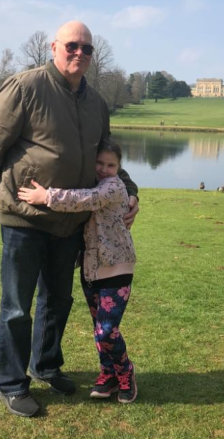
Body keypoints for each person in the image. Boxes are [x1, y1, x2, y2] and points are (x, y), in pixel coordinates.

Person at [0, 20, 139, 417]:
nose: (79, 53)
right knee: (16, 307)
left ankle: (46, 366)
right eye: (72, 46)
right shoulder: (25, 87)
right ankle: (12, 383)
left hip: (71, 225)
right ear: (53, 47)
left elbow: (108, 158)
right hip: (24, 220)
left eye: (87, 48)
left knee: (57, 302)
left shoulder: (96, 102)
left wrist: (131, 192)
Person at [18, 138, 137, 403]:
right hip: (92, 268)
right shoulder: (93, 180)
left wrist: (46, 196)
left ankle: (126, 372)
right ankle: (108, 373)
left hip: (117, 267)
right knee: (99, 329)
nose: (104, 169)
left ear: (119, 168)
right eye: (100, 163)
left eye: (111, 165)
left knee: (108, 331)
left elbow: (84, 200)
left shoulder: (112, 187)